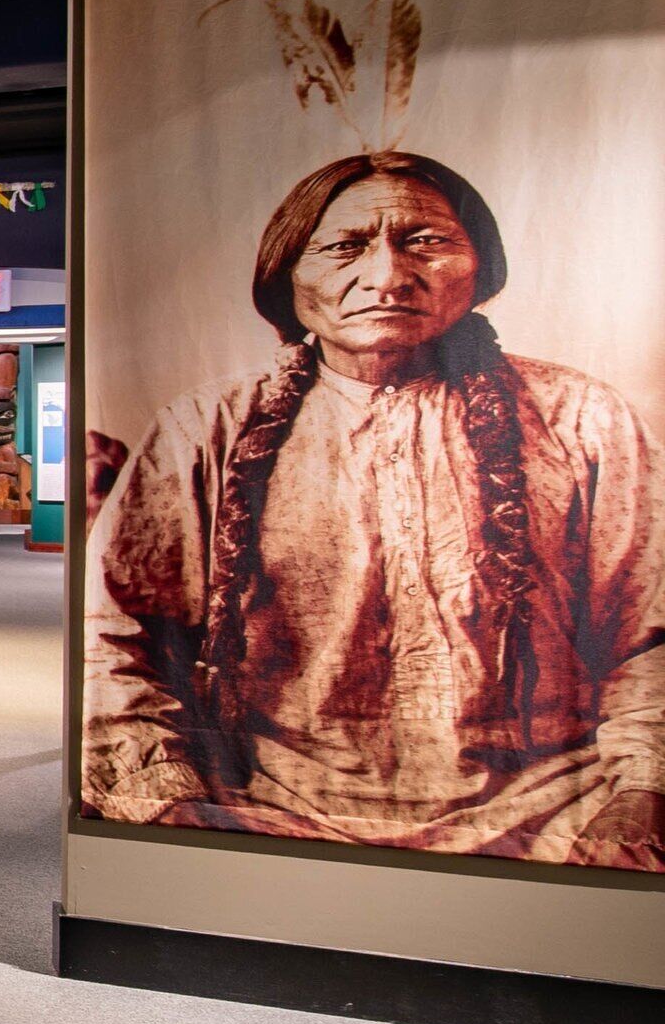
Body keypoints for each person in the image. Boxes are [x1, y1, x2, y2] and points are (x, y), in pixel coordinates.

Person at [85, 152, 665, 873]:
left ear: (480, 267)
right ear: (288, 276)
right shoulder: (205, 431)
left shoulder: (581, 420)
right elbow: (117, 643)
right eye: (344, 246)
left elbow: (649, 639)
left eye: (426, 241)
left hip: (553, 807)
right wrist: (170, 801)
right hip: (268, 803)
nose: (388, 277)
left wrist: (643, 790)